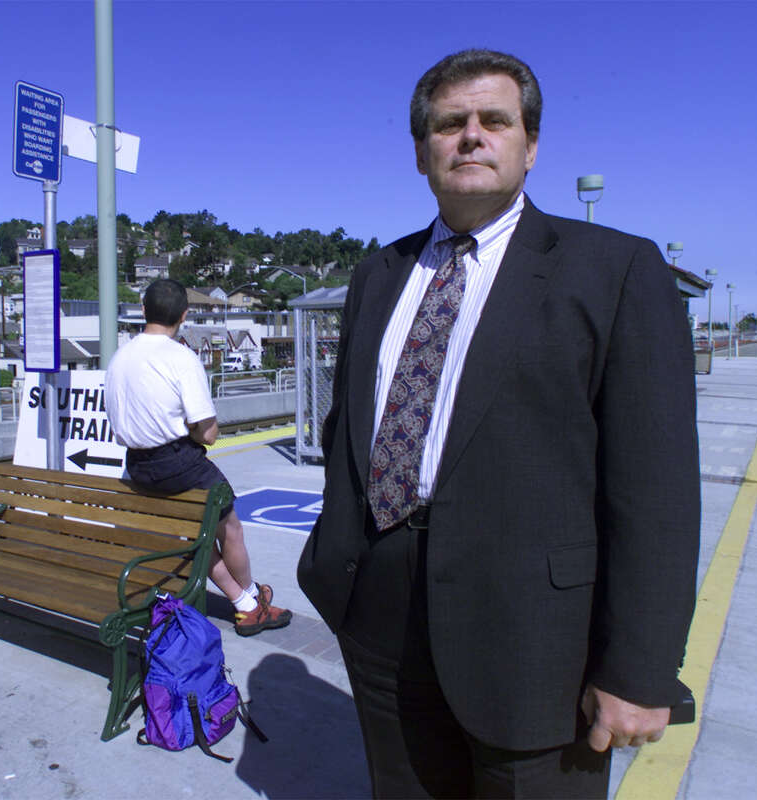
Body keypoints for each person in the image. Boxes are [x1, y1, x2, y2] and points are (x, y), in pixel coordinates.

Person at [297, 49, 700, 798]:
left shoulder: (615, 270)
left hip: (537, 643)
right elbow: (345, 429)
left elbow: (657, 491)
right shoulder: (378, 274)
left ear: (531, 145)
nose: (471, 136)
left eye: (494, 120)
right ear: (423, 151)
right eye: (450, 124)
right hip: (379, 618)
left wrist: (640, 668)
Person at [105, 278, 292, 637]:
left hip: (137, 466)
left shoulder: (119, 357)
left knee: (196, 535)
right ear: (184, 315)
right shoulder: (180, 357)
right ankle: (251, 602)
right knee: (230, 528)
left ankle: (247, 601)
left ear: (144, 311)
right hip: (179, 465)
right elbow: (207, 433)